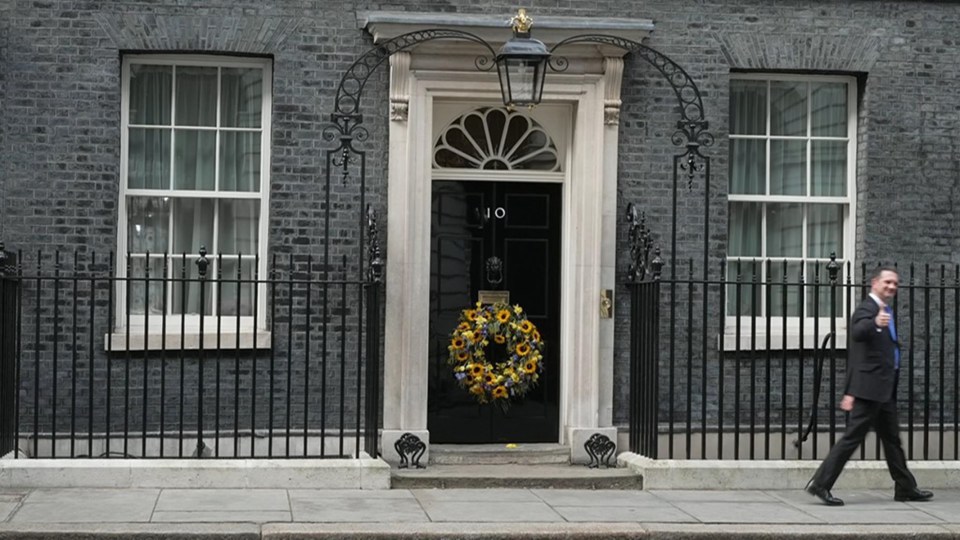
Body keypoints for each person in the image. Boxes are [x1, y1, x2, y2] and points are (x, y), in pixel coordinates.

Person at [806, 266, 933, 506]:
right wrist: (875, 322)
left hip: (883, 388)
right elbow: (857, 333)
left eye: (895, 283)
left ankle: (905, 487)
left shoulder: (885, 309)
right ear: (874, 283)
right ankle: (820, 484)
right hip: (869, 389)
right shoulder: (868, 309)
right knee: (852, 438)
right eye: (887, 282)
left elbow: (864, 353)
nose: (892, 287)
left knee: (892, 440)